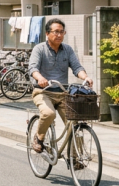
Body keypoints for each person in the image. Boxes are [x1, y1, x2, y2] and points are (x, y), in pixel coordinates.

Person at [27, 18, 93, 154]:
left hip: (63, 93)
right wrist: (40, 78)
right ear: (47, 33)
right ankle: (39, 138)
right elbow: (33, 68)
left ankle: (75, 158)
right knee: (48, 113)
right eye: (56, 32)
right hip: (43, 92)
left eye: (62, 32)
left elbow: (77, 67)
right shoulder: (39, 49)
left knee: (75, 123)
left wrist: (85, 77)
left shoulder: (67, 50)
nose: (59, 35)